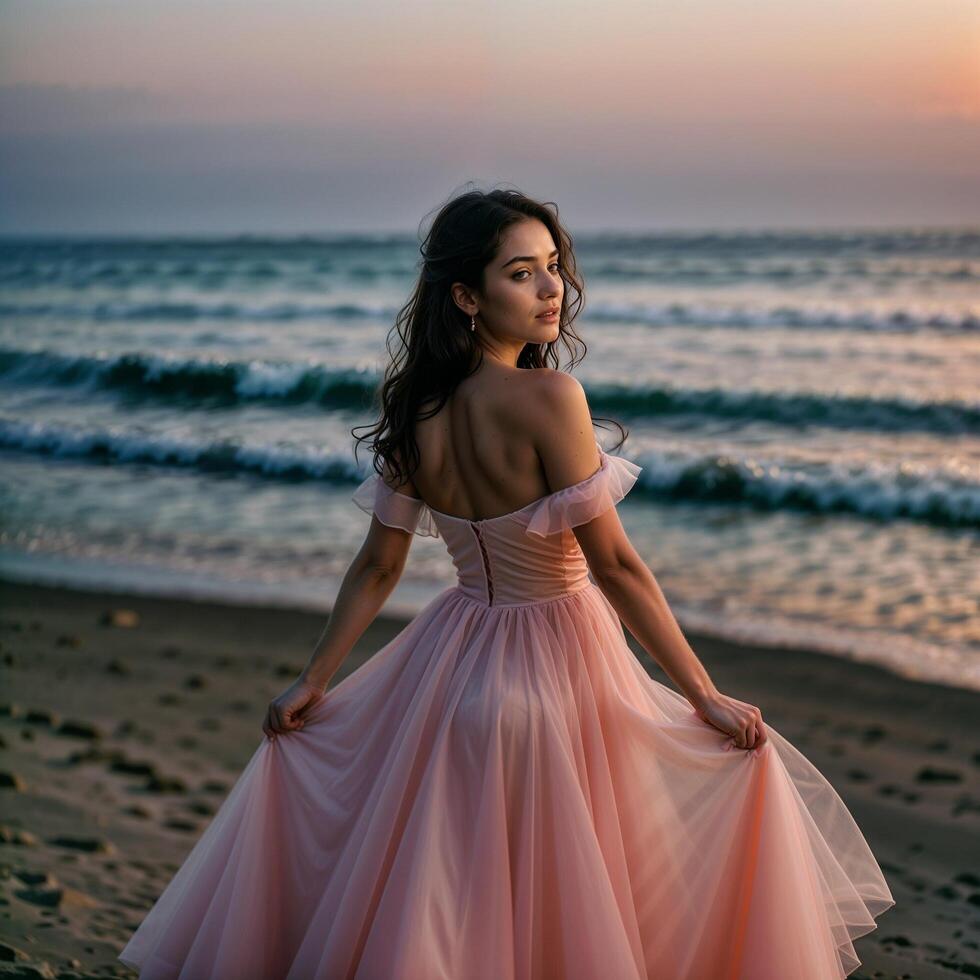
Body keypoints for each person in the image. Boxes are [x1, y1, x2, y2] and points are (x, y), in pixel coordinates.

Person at [118, 187, 894, 979]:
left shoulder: (414, 410)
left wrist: (313, 681)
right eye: (521, 273)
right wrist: (701, 694)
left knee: (459, 903)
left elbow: (379, 567)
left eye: (553, 267)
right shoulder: (552, 396)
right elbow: (616, 565)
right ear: (467, 296)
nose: (552, 288)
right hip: (562, 670)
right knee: (576, 898)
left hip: (447, 672)